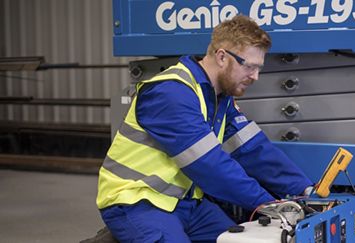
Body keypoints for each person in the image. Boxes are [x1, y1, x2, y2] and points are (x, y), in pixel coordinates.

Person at [96, 15, 313, 242]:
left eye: (259, 68)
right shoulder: (171, 92)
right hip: (139, 203)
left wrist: (306, 191)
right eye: (249, 66)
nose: (255, 77)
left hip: (188, 206)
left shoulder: (219, 99)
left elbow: (253, 150)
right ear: (221, 56)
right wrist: (269, 205)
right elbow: (209, 165)